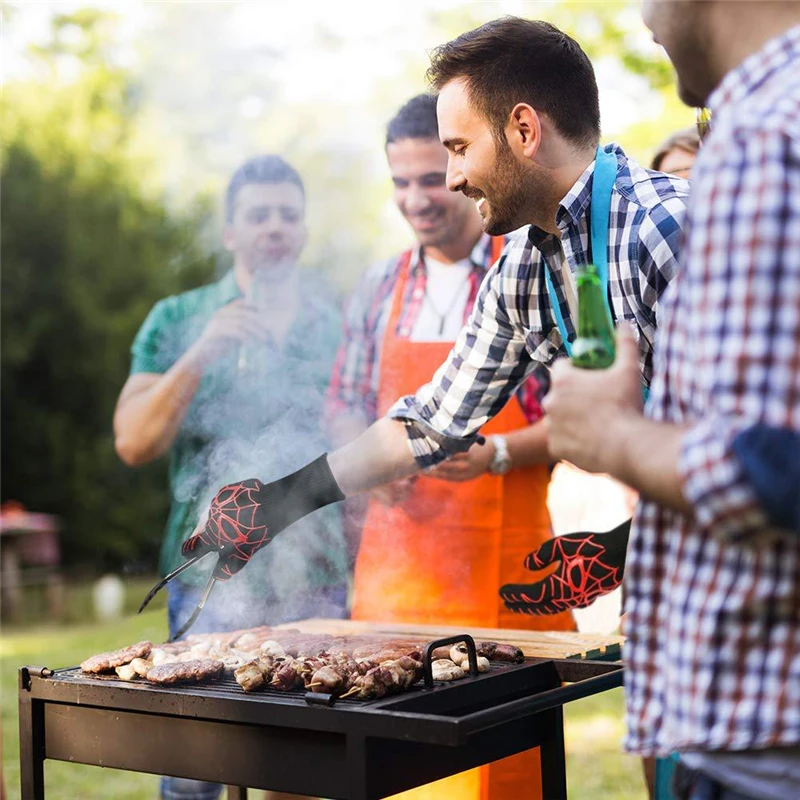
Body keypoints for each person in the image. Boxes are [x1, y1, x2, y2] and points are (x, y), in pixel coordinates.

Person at [182, 18, 689, 797]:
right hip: (681, 582)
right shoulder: (526, 266)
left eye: (458, 149)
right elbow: (428, 421)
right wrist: (281, 503)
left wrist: (623, 545)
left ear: (523, 129)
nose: (451, 180)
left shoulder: (665, 229)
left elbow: (754, 437)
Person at [541, 2, 800, 799]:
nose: (641, 13)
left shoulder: (764, 137)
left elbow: (775, 473)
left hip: (766, 753)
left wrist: (610, 434)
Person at [325, 92, 575, 800]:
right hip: (396, 575)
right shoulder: (379, 288)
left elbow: (582, 416)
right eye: (399, 182)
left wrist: (497, 453)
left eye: (431, 177)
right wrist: (370, 468)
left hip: (504, 568)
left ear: (464, 169)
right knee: (393, 765)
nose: (418, 199)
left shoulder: (527, 270)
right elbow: (344, 403)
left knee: (506, 771)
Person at [114, 155, 348, 800]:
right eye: (259, 214)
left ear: (303, 230)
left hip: (320, 578)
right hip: (207, 582)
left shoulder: (337, 322)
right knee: (196, 774)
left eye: (288, 215)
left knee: (308, 773)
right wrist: (201, 351)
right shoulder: (177, 317)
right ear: (229, 231)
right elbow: (133, 441)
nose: (275, 227)